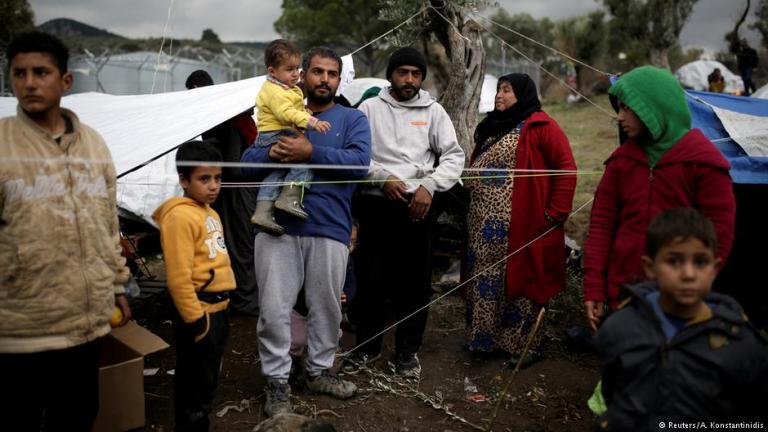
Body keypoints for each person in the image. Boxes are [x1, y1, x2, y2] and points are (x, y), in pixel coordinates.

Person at [0, 31, 132, 431]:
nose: (29, 83)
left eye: (41, 72)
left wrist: (117, 286)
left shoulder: (93, 145)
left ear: (66, 81)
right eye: (19, 73)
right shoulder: (3, 145)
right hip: (20, 329)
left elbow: (107, 224)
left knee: (76, 417)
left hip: (83, 324)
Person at [241, 47, 371, 417]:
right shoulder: (278, 108)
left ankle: (317, 372)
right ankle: (277, 382)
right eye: (317, 71)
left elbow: (360, 164)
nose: (324, 79)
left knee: (327, 306)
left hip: (329, 226)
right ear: (302, 74)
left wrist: (310, 151)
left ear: (339, 79)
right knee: (273, 310)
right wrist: (272, 154)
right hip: (275, 227)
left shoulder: (352, 119)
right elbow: (246, 165)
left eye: (332, 73)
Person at [583, 66, 736, 331]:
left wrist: (695, 284)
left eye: (627, 108)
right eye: (619, 108)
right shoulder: (621, 163)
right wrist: (595, 287)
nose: (619, 117)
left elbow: (719, 234)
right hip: (625, 294)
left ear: (653, 107)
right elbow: (601, 227)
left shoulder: (703, 164)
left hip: (682, 301)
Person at [345, 47, 465, 378]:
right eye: (403, 72)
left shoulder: (433, 111)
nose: (409, 79)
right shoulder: (369, 109)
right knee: (371, 279)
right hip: (376, 205)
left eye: (415, 73)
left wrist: (430, 185)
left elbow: (453, 156)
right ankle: (366, 348)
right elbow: (356, 154)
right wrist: (381, 177)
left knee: (415, 282)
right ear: (391, 75)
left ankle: (407, 352)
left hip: (418, 207)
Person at [595, 208, 767, 430]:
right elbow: (613, 390)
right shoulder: (620, 327)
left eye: (700, 262)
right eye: (674, 261)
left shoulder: (740, 342)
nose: (688, 274)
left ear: (715, 268)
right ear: (650, 267)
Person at [464, 73, 577, 366]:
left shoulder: (541, 126)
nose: (499, 95)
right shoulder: (492, 125)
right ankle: (485, 340)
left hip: (523, 223)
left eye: (507, 90)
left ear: (523, 95)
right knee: (486, 279)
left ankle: (524, 346)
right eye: (498, 90)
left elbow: (566, 169)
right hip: (482, 224)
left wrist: (554, 214)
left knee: (522, 280)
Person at [153, 140, 236, 431]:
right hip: (200, 313)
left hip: (219, 310)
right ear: (184, 180)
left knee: (207, 381)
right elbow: (178, 277)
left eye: (218, 178)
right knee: (194, 385)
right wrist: (196, 320)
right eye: (204, 179)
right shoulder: (179, 216)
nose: (213, 186)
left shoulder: (209, 212)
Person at [185, 69, 260, 317]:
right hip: (228, 188)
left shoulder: (227, 118)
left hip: (237, 190)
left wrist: (210, 154)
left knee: (240, 244)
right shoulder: (215, 115)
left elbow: (235, 166)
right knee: (227, 242)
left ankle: (246, 302)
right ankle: (238, 296)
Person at [250, 39, 332, 235]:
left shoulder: (282, 87)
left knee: (276, 173)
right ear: (272, 71)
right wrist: (310, 121)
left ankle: (262, 212)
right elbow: (285, 112)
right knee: (303, 160)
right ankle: (289, 198)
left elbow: (291, 107)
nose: (295, 73)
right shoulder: (276, 91)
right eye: (289, 69)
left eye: (297, 68)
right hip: (276, 133)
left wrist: (302, 111)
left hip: (270, 134)